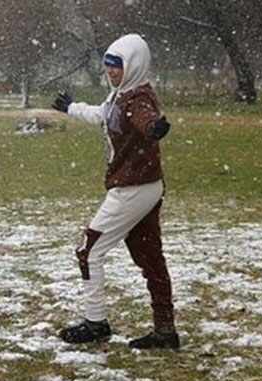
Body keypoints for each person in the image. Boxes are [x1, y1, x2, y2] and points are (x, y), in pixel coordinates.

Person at [51, 33, 178, 349]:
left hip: (132, 189)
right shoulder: (122, 94)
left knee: (88, 251)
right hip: (146, 185)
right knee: (150, 258)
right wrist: (71, 107)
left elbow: (145, 119)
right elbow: (102, 115)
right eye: (107, 64)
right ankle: (165, 331)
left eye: (116, 65)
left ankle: (96, 323)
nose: (110, 71)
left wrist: (154, 128)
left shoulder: (137, 99)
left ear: (133, 65)